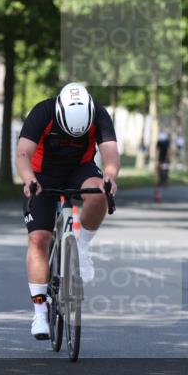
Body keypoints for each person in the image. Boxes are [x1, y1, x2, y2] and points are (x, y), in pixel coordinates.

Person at [16, 83, 119, 340]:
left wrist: (110, 177)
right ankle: (40, 311)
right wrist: (29, 179)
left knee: (99, 193)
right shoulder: (43, 112)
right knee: (39, 239)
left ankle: (81, 247)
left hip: (79, 169)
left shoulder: (99, 113)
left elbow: (110, 153)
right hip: (42, 174)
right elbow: (22, 154)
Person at [154, 132, 171, 203]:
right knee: (162, 177)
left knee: (160, 177)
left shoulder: (159, 142)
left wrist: (157, 161)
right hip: (164, 162)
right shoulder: (167, 142)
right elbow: (168, 152)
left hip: (161, 161)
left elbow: (157, 152)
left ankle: (158, 193)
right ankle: (158, 194)